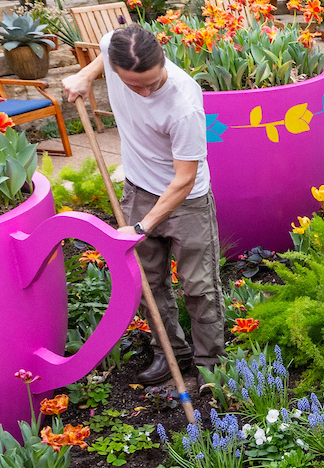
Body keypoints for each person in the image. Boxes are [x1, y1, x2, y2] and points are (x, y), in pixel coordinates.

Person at [61, 24, 223, 386]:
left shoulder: (184, 105)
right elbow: (103, 51)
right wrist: (84, 75)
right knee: (148, 284)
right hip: (139, 188)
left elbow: (183, 180)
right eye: (135, 85)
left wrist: (140, 227)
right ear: (118, 71)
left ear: (162, 59)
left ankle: (211, 368)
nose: (146, 91)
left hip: (187, 201)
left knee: (200, 288)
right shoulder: (115, 49)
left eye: (152, 81)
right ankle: (171, 355)